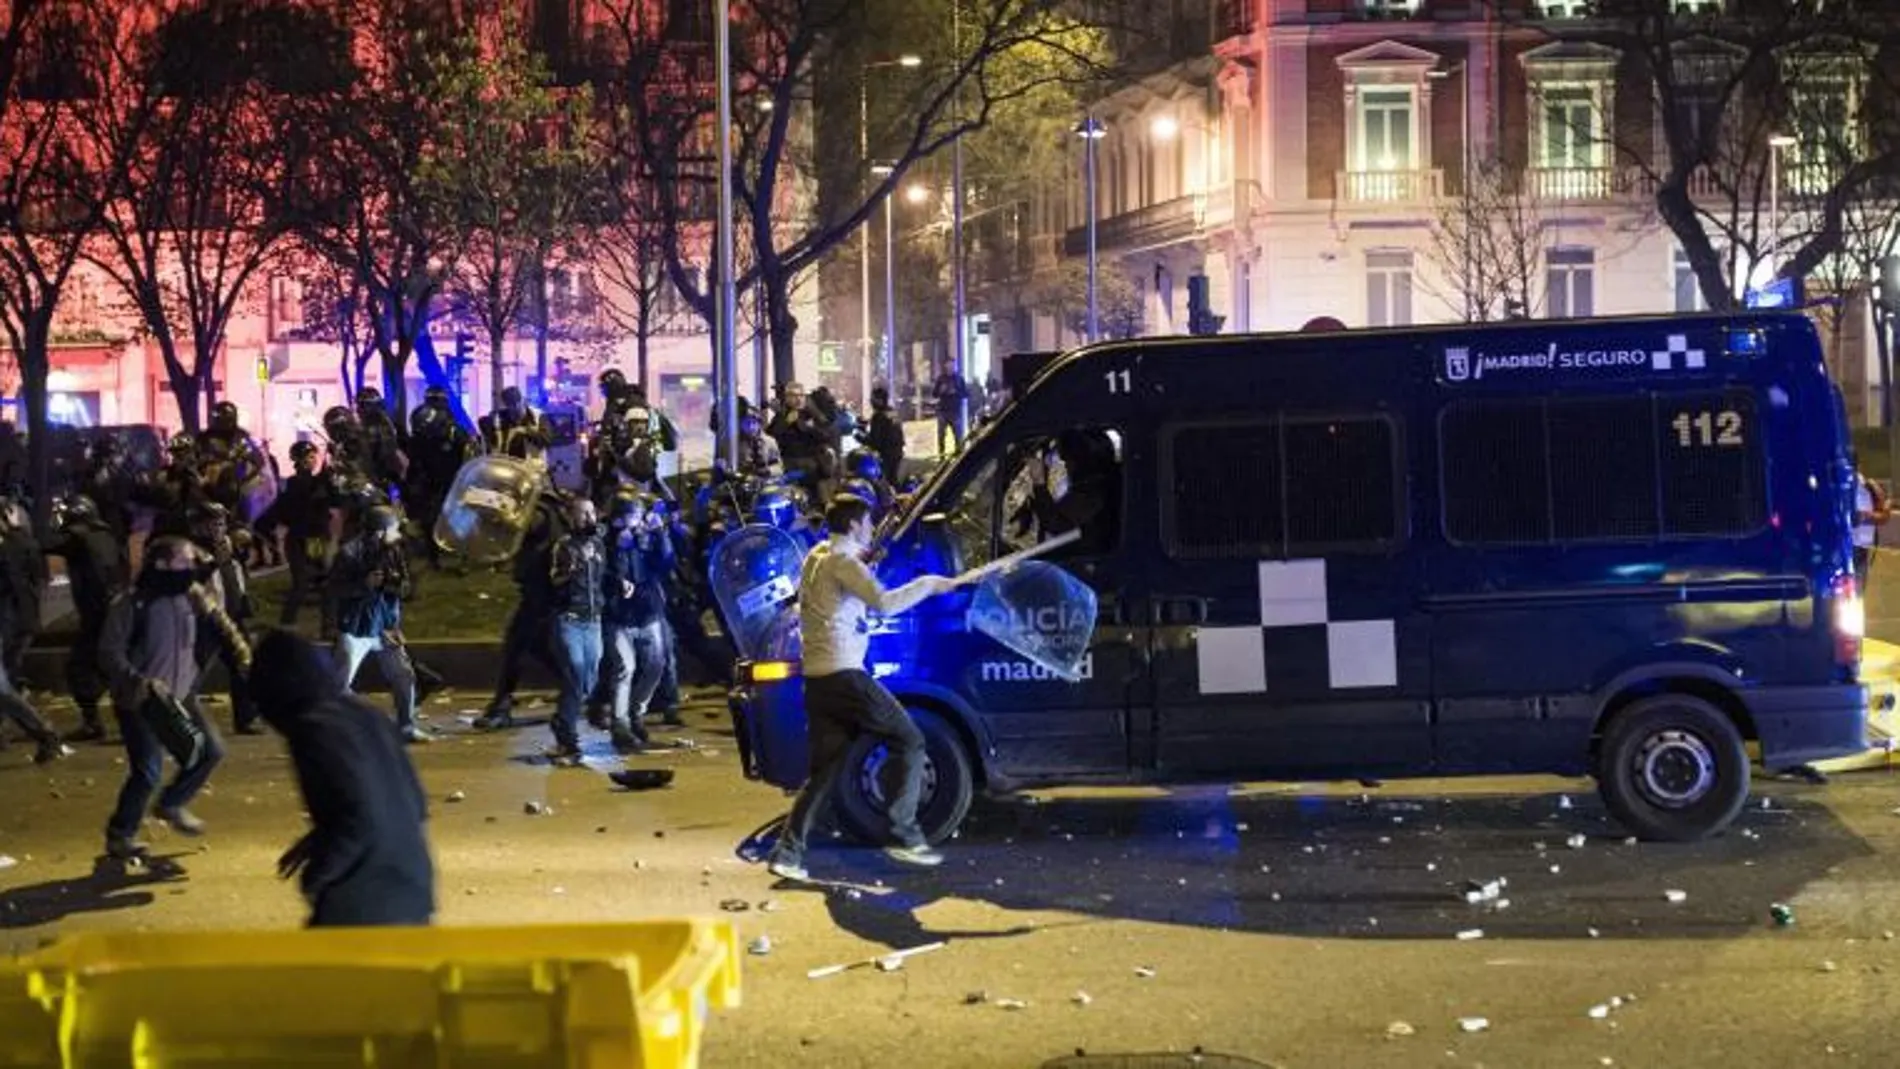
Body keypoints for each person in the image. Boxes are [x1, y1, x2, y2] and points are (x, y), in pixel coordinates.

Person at [767, 495, 965, 880]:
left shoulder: (818, 556)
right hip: (845, 675)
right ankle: (903, 835)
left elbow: (845, 584)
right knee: (908, 739)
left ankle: (787, 854)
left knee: (824, 773)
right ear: (856, 525)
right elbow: (885, 603)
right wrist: (928, 584)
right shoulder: (844, 564)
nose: (872, 528)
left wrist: (867, 564)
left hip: (818, 679)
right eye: (869, 523)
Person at [251, 630, 434, 928]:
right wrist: (318, 839)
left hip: (366, 904)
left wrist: (317, 875)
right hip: (414, 887)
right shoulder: (366, 714)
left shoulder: (311, 730)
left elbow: (359, 820)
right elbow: (413, 802)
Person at [99, 536, 244, 859]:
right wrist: (139, 681)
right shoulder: (132, 603)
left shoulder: (193, 597)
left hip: (182, 694)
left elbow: (225, 624)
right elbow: (109, 651)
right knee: (147, 771)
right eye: (184, 559)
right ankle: (120, 834)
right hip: (141, 700)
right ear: (161, 564)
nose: (191, 565)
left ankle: (172, 803)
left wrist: (239, 654)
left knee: (210, 751)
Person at [329, 505, 430, 744]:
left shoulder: (392, 551)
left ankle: (406, 726)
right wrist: (364, 584)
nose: (398, 533)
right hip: (357, 626)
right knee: (340, 684)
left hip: (384, 625)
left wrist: (397, 590)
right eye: (393, 528)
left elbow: (401, 587)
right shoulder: (349, 553)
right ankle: (337, 730)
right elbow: (335, 589)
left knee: (404, 675)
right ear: (380, 531)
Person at [477, 484, 568, 729]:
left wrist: (501, 515)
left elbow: (527, 524)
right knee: (536, 648)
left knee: (518, 647)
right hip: (540, 593)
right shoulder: (554, 509)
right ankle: (584, 690)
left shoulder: (542, 510)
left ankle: (501, 706)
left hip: (542, 595)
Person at [49, 494, 129, 743]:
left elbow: (49, 543)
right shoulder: (106, 535)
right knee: (109, 667)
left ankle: (100, 722)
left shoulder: (81, 537)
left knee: (82, 668)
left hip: (98, 614)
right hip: (112, 610)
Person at [603, 492, 677, 753]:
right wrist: (620, 551)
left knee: (657, 664)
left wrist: (661, 535)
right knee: (625, 668)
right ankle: (620, 723)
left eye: (636, 516)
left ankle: (637, 711)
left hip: (648, 612)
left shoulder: (647, 538)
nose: (633, 522)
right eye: (627, 516)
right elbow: (607, 573)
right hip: (620, 616)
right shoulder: (608, 540)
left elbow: (666, 564)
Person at [188, 502, 262, 734]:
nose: (218, 528)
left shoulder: (227, 546)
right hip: (207, 619)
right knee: (192, 671)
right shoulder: (192, 551)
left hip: (232, 618)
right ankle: (175, 717)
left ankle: (246, 718)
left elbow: (235, 575)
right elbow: (191, 583)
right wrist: (212, 564)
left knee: (244, 665)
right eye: (213, 523)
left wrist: (243, 598)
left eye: (221, 523)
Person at [547, 497, 607, 766]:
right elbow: (554, 581)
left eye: (591, 512)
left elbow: (604, 576)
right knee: (576, 669)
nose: (589, 518)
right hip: (570, 620)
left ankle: (562, 724)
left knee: (588, 680)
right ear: (571, 517)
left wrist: (621, 583)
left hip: (593, 620)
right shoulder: (564, 546)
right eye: (583, 514)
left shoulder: (598, 545)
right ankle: (567, 739)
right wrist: (573, 568)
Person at [256, 441, 336, 628]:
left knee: (324, 582)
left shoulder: (316, 482)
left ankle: (329, 626)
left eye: (313, 456)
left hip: (315, 540)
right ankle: (287, 624)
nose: (312, 460)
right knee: (301, 584)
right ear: (297, 460)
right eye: (307, 457)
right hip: (300, 540)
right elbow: (303, 495)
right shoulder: (296, 484)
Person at [405, 386, 473, 567]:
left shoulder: (449, 428)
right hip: (437, 479)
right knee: (437, 519)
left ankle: (451, 556)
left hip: (445, 479)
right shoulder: (426, 424)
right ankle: (441, 557)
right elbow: (414, 456)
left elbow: (468, 453)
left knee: (450, 519)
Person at [0, 494, 46, 682]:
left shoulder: (14, 546)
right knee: (11, 665)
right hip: (25, 618)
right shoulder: (26, 543)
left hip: (12, 619)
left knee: (9, 667)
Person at [480, 386, 551, 461]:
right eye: (510, 405)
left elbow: (546, 440)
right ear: (506, 405)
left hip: (532, 467)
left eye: (517, 403)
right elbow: (485, 429)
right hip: (506, 466)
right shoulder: (499, 418)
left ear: (523, 400)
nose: (515, 407)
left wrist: (525, 431)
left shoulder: (538, 416)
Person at [864, 386, 905, 486]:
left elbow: (875, 441)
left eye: (873, 399)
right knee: (893, 479)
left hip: (885, 454)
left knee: (883, 483)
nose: (871, 401)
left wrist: (861, 438)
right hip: (897, 451)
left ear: (879, 400)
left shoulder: (878, 416)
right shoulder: (892, 412)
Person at [1855, 470, 1889, 581]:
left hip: (1860, 548)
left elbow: (1884, 514)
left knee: (1855, 591)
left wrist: (1865, 516)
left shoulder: (1867, 485)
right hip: (1838, 547)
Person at [932, 370, 966, 455]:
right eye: (948, 364)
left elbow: (965, 393)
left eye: (951, 364)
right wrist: (941, 391)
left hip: (955, 411)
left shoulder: (958, 379)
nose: (949, 367)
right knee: (941, 435)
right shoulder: (941, 379)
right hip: (943, 411)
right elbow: (934, 394)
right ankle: (941, 454)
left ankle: (959, 455)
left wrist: (956, 392)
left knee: (958, 435)